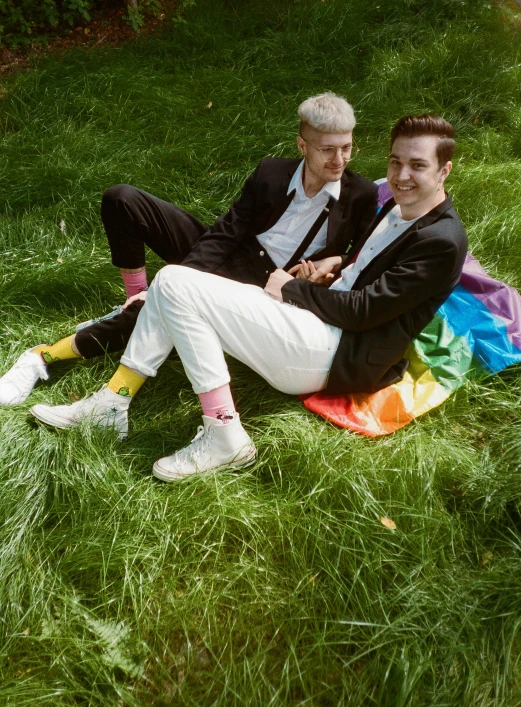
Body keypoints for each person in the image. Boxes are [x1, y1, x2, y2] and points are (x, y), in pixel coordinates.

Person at [26, 114, 468, 482]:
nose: (401, 175)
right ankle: (114, 401)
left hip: (335, 354)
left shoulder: (442, 240)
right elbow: (368, 266)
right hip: (316, 326)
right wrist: (340, 264)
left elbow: (364, 311)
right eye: (395, 162)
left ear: (444, 170)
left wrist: (289, 289)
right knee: (174, 286)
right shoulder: (397, 205)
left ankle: (224, 435)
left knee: (177, 283)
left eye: (417, 166)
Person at [0, 93, 376, 407]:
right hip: (229, 255)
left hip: (265, 290)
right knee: (123, 199)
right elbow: (226, 233)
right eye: (328, 150)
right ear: (301, 145)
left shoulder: (360, 193)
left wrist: (335, 260)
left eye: (346, 148)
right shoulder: (271, 173)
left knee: (159, 308)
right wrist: (186, 274)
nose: (339, 160)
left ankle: (40, 357)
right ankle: (136, 298)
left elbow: (365, 256)